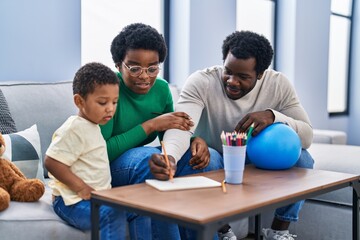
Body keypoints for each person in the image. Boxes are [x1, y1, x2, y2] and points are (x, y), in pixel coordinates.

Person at [149, 30, 314, 240]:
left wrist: (273, 116)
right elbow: (182, 125)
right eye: (228, 71)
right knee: (206, 160)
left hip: (257, 157)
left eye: (243, 77)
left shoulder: (278, 84)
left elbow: (307, 136)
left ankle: (278, 230)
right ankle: (223, 231)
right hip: (216, 156)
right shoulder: (202, 81)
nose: (232, 81)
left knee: (303, 159)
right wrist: (169, 156)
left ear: (261, 73)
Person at [100, 23, 223, 239]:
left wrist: (195, 139)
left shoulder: (162, 89)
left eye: (152, 68)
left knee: (209, 158)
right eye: (134, 67)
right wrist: (151, 125)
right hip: (108, 166)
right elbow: (100, 152)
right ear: (119, 64)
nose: (144, 76)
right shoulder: (106, 90)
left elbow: (171, 132)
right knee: (152, 160)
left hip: (135, 162)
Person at [44, 62, 128, 240]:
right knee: (111, 214)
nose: (110, 108)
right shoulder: (75, 128)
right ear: (79, 101)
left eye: (115, 102)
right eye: (102, 102)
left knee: (137, 210)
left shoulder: (93, 126)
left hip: (96, 198)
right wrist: (81, 188)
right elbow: (51, 161)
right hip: (70, 201)